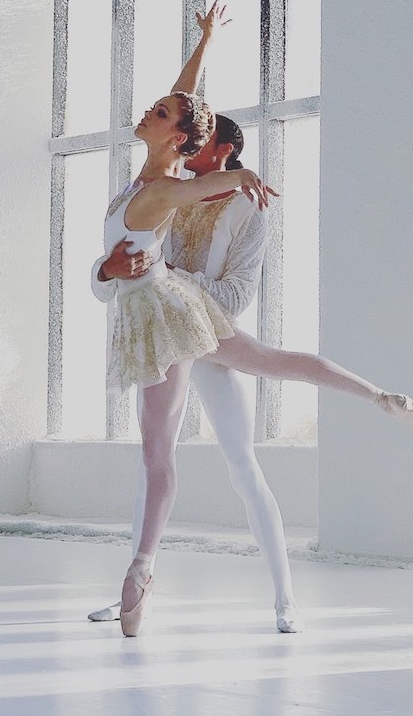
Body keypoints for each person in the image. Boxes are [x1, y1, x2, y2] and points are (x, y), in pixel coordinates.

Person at [96, 4, 413, 638]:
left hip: (173, 315)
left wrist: (243, 174)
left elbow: (199, 167)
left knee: (193, 451)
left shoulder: (169, 189)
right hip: (159, 310)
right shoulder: (150, 177)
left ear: (180, 140)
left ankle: (147, 575)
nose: (150, 110)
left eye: (161, 114)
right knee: (227, 398)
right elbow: (184, 105)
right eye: (158, 107)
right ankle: (378, 395)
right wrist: (202, 43)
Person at [88, 113, 305, 633]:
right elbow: (111, 279)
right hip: (166, 341)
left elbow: (234, 297)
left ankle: (285, 599)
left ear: (225, 150)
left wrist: (162, 279)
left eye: (205, 144)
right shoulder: (166, 189)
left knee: (243, 468)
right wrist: (111, 271)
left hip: (211, 340)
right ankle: (134, 589)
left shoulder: (249, 209)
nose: (195, 151)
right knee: (152, 463)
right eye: (193, 142)